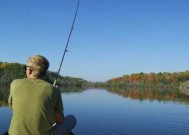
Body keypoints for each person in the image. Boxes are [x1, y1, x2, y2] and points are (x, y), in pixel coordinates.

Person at [8, 55, 76, 135]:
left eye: (26, 68)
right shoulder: (54, 90)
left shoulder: (15, 83)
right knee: (72, 119)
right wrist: (53, 90)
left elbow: (12, 108)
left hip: (13, 133)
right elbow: (59, 120)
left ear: (29, 70)